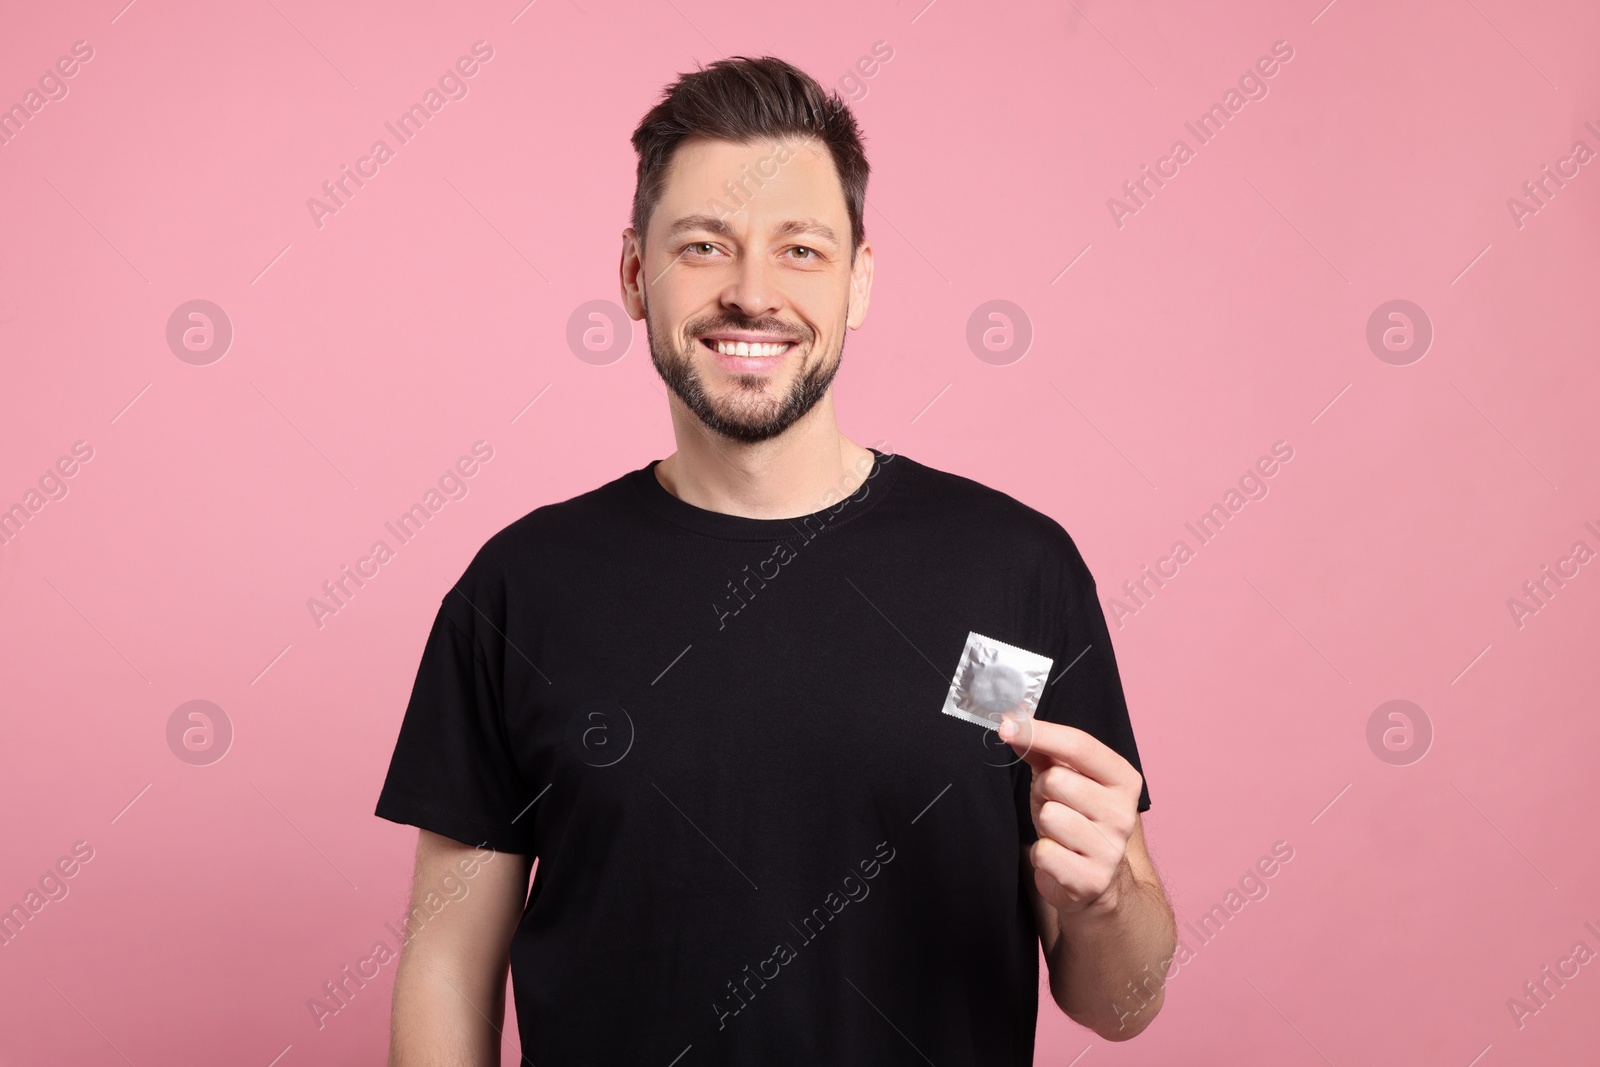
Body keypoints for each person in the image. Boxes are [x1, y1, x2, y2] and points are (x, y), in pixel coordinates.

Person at [376, 54, 1174, 1065]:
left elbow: (1120, 1003)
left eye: (800, 249)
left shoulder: (1011, 572)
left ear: (859, 282)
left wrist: (1105, 901)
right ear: (634, 274)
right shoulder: (521, 589)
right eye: (704, 245)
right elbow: (447, 965)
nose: (751, 294)